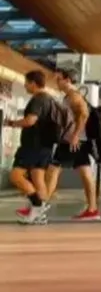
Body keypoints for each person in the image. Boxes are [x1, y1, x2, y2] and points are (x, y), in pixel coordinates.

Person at [34, 68, 101, 220]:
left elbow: (84, 113)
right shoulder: (70, 96)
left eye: (59, 79)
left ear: (68, 80)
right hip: (77, 141)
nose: (57, 82)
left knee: (53, 170)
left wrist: (75, 136)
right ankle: (92, 210)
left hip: (72, 141)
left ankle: (40, 207)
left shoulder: (74, 96)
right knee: (85, 173)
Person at [4, 70, 55, 225]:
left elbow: (30, 121)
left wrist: (12, 123)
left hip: (32, 146)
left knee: (15, 176)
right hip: (45, 147)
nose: (25, 85)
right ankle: (40, 215)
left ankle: (37, 205)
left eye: (26, 82)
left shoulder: (38, 99)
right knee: (38, 178)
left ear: (33, 83)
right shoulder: (49, 99)